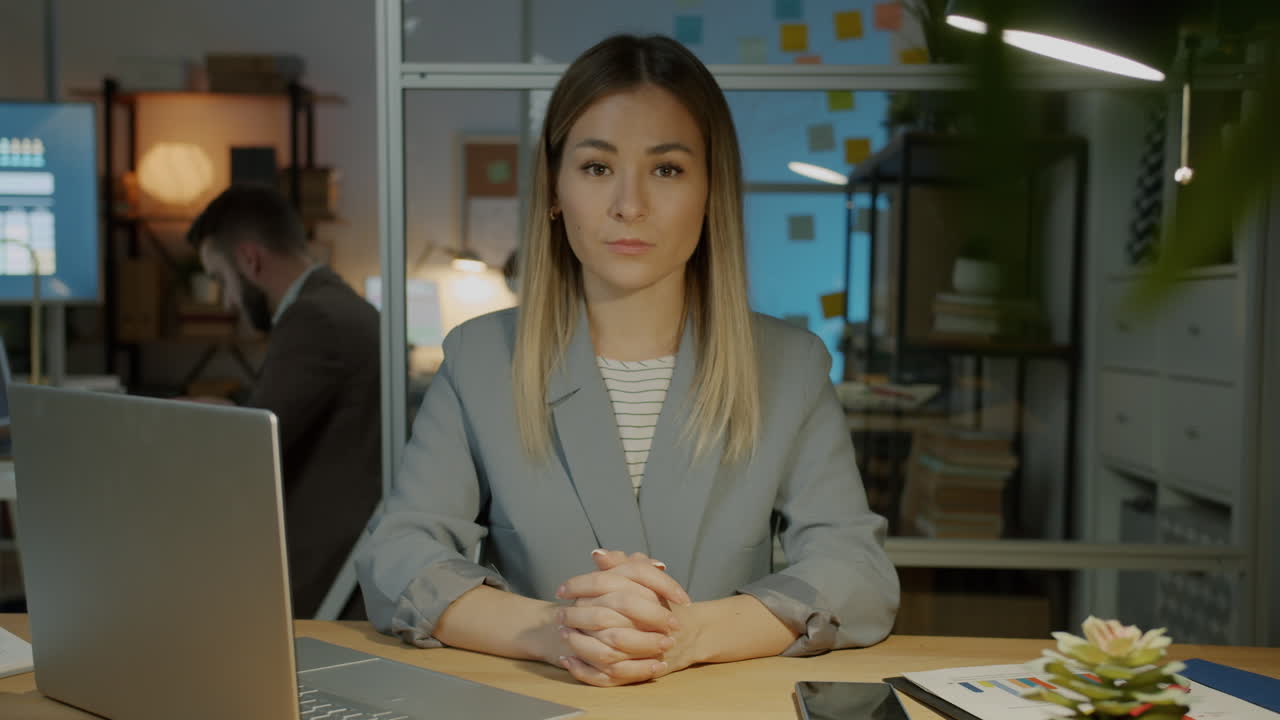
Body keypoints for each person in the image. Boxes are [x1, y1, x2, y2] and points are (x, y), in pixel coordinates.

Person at [357, 34, 898, 686]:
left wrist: (687, 635)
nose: (630, 205)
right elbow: (395, 555)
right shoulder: (478, 359)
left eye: (666, 169)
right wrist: (557, 631)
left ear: (711, 190)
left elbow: (858, 573)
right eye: (596, 168)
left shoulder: (791, 367)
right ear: (554, 188)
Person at [187, 184, 381, 620]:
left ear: (249, 260)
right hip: (345, 550)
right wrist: (235, 413)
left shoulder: (313, 318)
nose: (228, 301)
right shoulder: (341, 303)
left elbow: (253, 448)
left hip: (316, 568)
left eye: (221, 280)